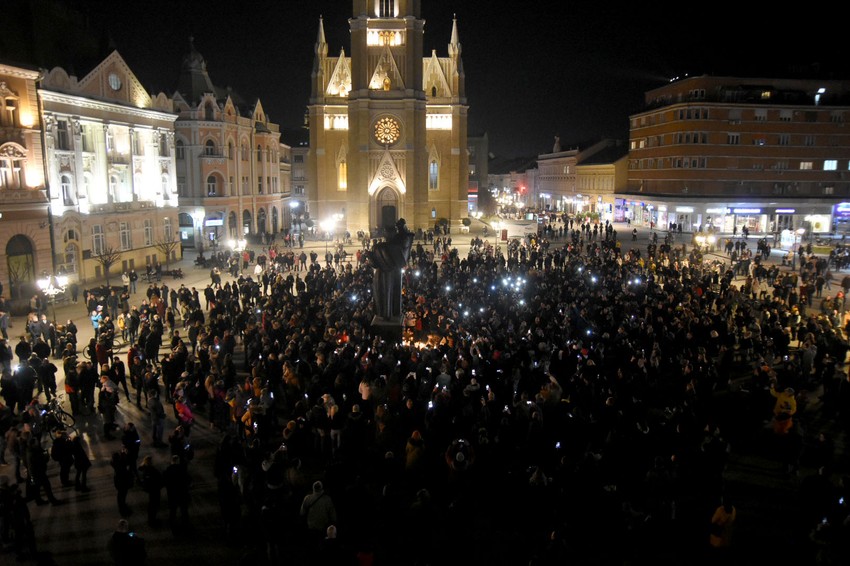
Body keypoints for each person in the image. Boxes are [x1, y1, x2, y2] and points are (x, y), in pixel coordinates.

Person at [138, 455, 163, 527]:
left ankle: (151, 519)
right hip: (155, 489)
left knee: (152, 505)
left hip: (151, 490)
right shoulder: (152, 470)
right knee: (154, 505)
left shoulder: (145, 470)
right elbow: (159, 479)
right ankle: (152, 521)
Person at [111, 447, 134, 516]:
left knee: (120, 494)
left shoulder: (114, 463)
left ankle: (122, 505)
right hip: (122, 481)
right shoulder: (120, 464)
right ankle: (122, 508)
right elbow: (127, 462)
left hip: (118, 481)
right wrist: (124, 454)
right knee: (122, 494)